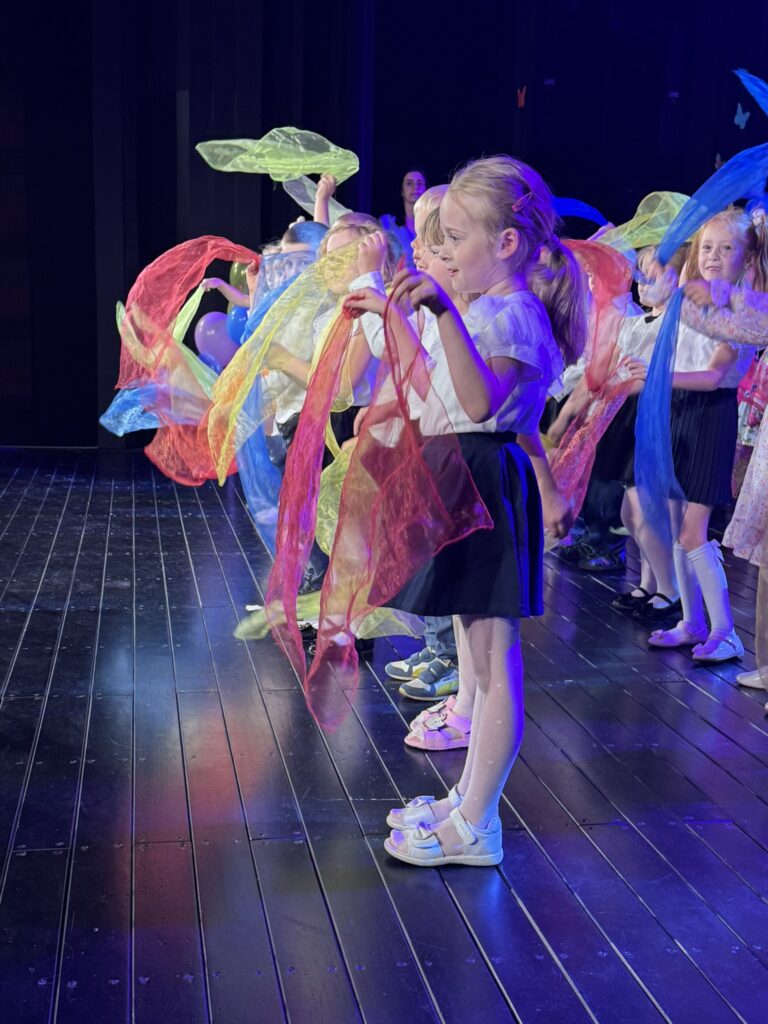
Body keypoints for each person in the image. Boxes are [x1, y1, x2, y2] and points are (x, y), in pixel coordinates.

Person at [345, 155, 586, 866]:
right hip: (462, 475)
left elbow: (480, 404)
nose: (443, 252)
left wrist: (443, 311)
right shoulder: (484, 310)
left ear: (506, 243)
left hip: (487, 478)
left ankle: (480, 823)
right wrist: (394, 313)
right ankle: (467, 800)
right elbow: (430, 389)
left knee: (493, 661)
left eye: (454, 238)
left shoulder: (516, 314)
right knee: (475, 664)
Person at [643, 208, 764, 661]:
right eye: (707, 247)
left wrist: (655, 378)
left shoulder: (742, 311)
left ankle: (725, 631)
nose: (713, 256)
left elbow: (714, 377)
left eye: (726, 248)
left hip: (711, 415)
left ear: (747, 258)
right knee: (679, 528)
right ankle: (692, 622)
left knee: (694, 530)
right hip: (680, 411)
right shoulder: (697, 301)